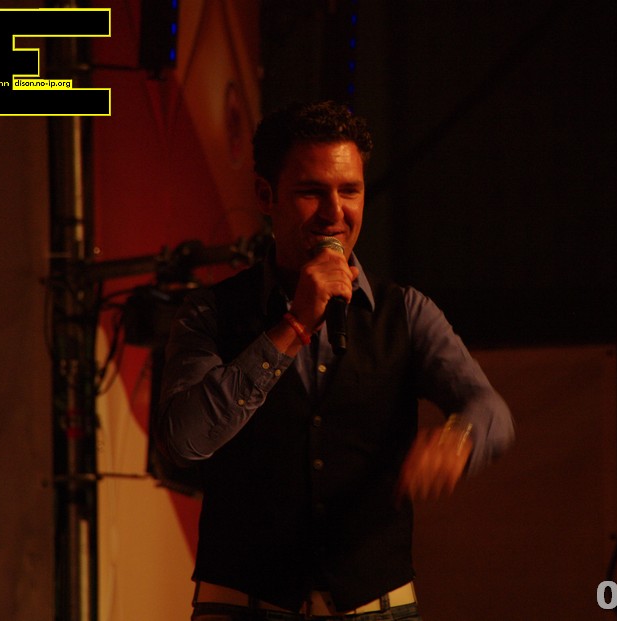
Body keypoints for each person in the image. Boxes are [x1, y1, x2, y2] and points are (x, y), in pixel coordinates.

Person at [157, 101, 514, 621]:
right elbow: (185, 439)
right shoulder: (211, 311)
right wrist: (294, 325)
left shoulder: (405, 311)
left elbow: (490, 408)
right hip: (243, 604)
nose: (335, 213)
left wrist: (459, 441)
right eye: (311, 192)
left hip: (376, 606)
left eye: (350, 191)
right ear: (265, 195)